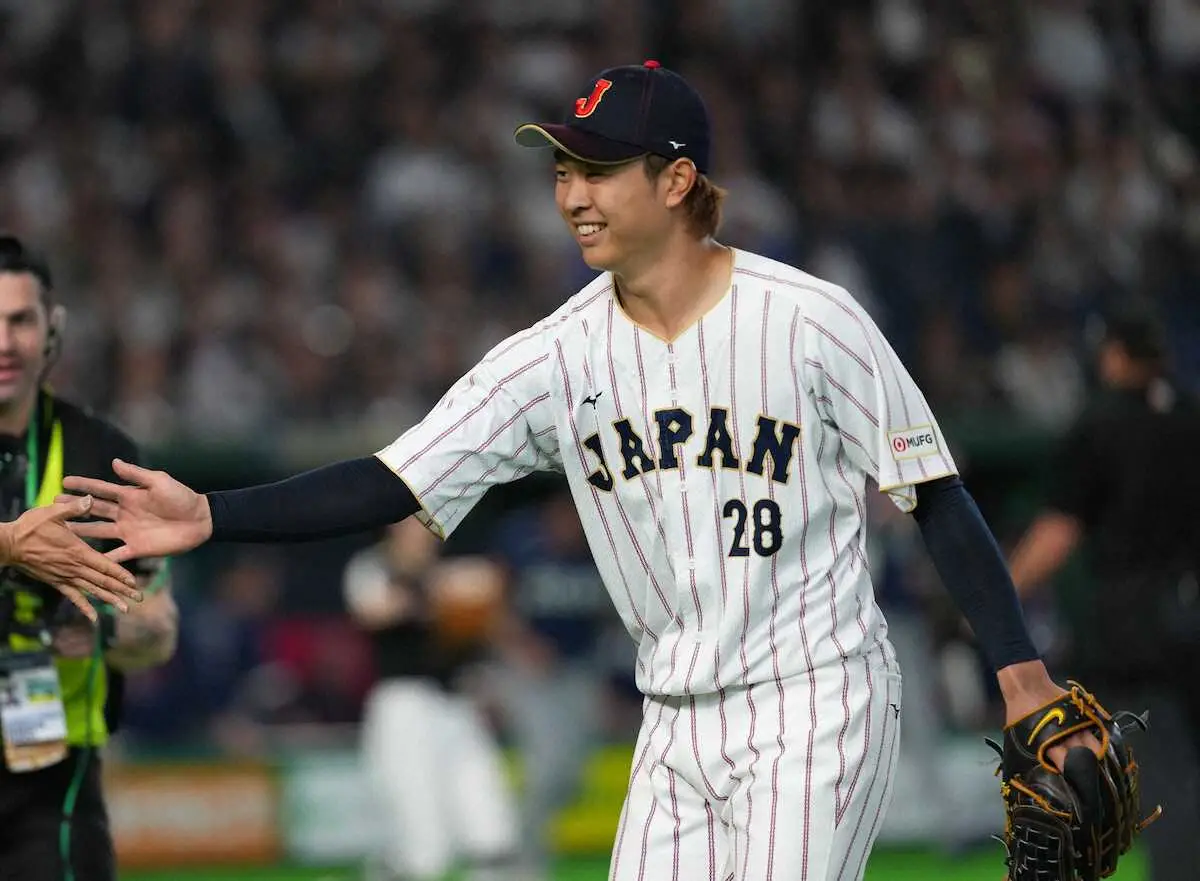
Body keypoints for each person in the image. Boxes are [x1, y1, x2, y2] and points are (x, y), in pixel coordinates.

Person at [64, 62, 1105, 881]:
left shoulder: (811, 318)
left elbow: (934, 493)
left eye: (597, 168)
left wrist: (1019, 677)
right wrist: (212, 509)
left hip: (815, 699)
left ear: (677, 179)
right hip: (671, 718)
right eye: (561, 169)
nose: (570, 193)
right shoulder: (553, 356)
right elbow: (393, 479)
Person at [0, 233, 177, 881]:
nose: (4, 342)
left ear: (53, 328)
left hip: (54, 779)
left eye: (20, 319)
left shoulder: (107, 458)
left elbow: (159, 631)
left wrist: (102, 628)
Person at [1008, 307, 1200, 881]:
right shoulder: (1192, 418)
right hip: (1192, 608)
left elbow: (1058, 533)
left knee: (1164, 770)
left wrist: (998, 595)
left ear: (1113, 355)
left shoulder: (1099, 425)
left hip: (1139, 625)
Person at [343, 516, 522, 881]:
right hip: (403, 705)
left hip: (457, 703)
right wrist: (438, 591)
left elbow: (493, 623)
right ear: (393, 527)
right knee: (423, 845)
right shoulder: (374, 566)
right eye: (414, 524)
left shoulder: (454, 572)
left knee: (491, 825)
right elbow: (373, 611)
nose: (424, 532)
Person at [487, 487, 615, 879]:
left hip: (578, 670)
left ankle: (514, 839)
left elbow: (611, 613)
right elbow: (491, 602)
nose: (571, 524)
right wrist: (520, 645)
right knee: (546, 767)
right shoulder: (520, 541)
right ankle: (519, 863)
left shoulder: (600, 543)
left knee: (570, 773)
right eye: (566, 514)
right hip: (526, 670)